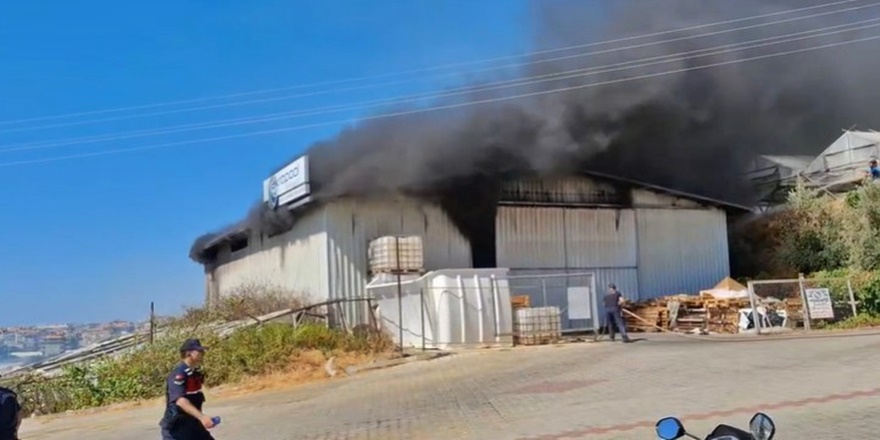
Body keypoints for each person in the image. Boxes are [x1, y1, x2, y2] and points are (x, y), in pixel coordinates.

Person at [159, 339, 216, 440]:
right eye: (199, 351)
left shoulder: (195, 373)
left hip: (193, 424)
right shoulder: (179, 374)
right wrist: (202, 417)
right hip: (177, 428)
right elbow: (181, 401)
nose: (203, 353)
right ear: (189, 353)